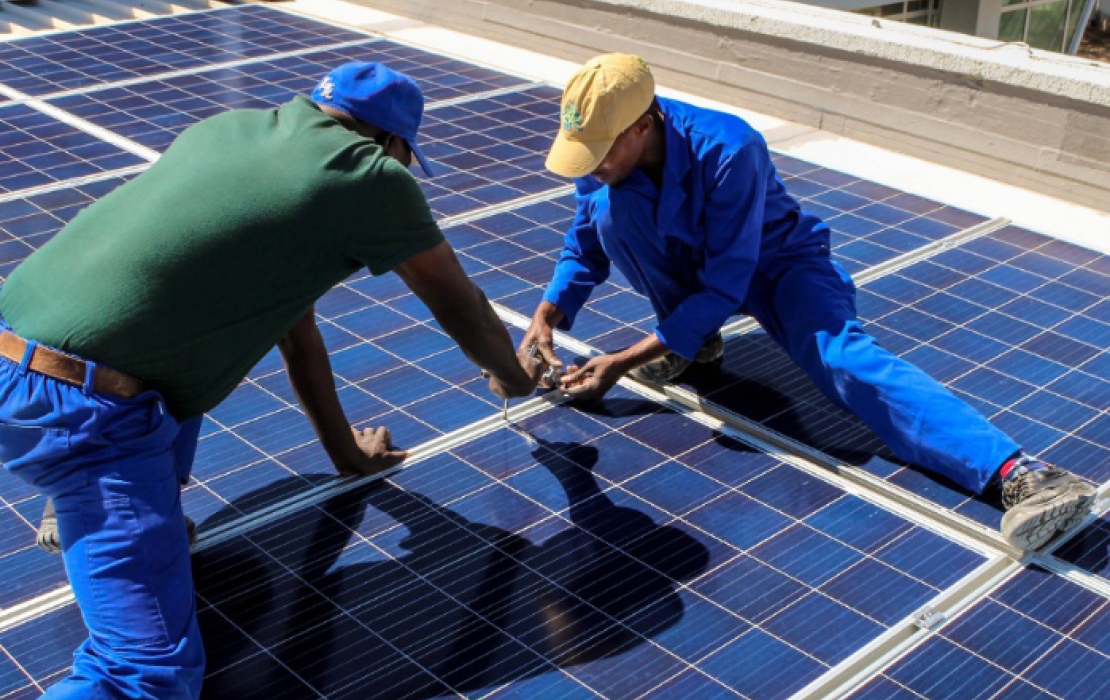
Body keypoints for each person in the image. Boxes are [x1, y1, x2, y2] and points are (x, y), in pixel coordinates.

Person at [0, 61, 538, 700]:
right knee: (145, 678)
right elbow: (463, 309)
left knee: (189, 339)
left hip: (21, 344)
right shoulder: (370, 179)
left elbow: (295, 335)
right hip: (82, 413)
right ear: (393, 143)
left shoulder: (233, 132)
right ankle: (88, 498)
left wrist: (347, 456)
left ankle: (110, 505)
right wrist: (514, 377)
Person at [519, 53, 1095, 553]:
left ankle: (1024, 474)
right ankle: (692, 342)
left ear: (643, 125)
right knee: (611, 213)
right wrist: (547, 317)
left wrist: (620, 362)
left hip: (778, 266)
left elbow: (727, 282)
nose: (590, 162)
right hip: (704, 270)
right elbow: (585, 245)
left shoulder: (728, 147)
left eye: (598, 150)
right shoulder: (606, 159)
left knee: (842, 359)